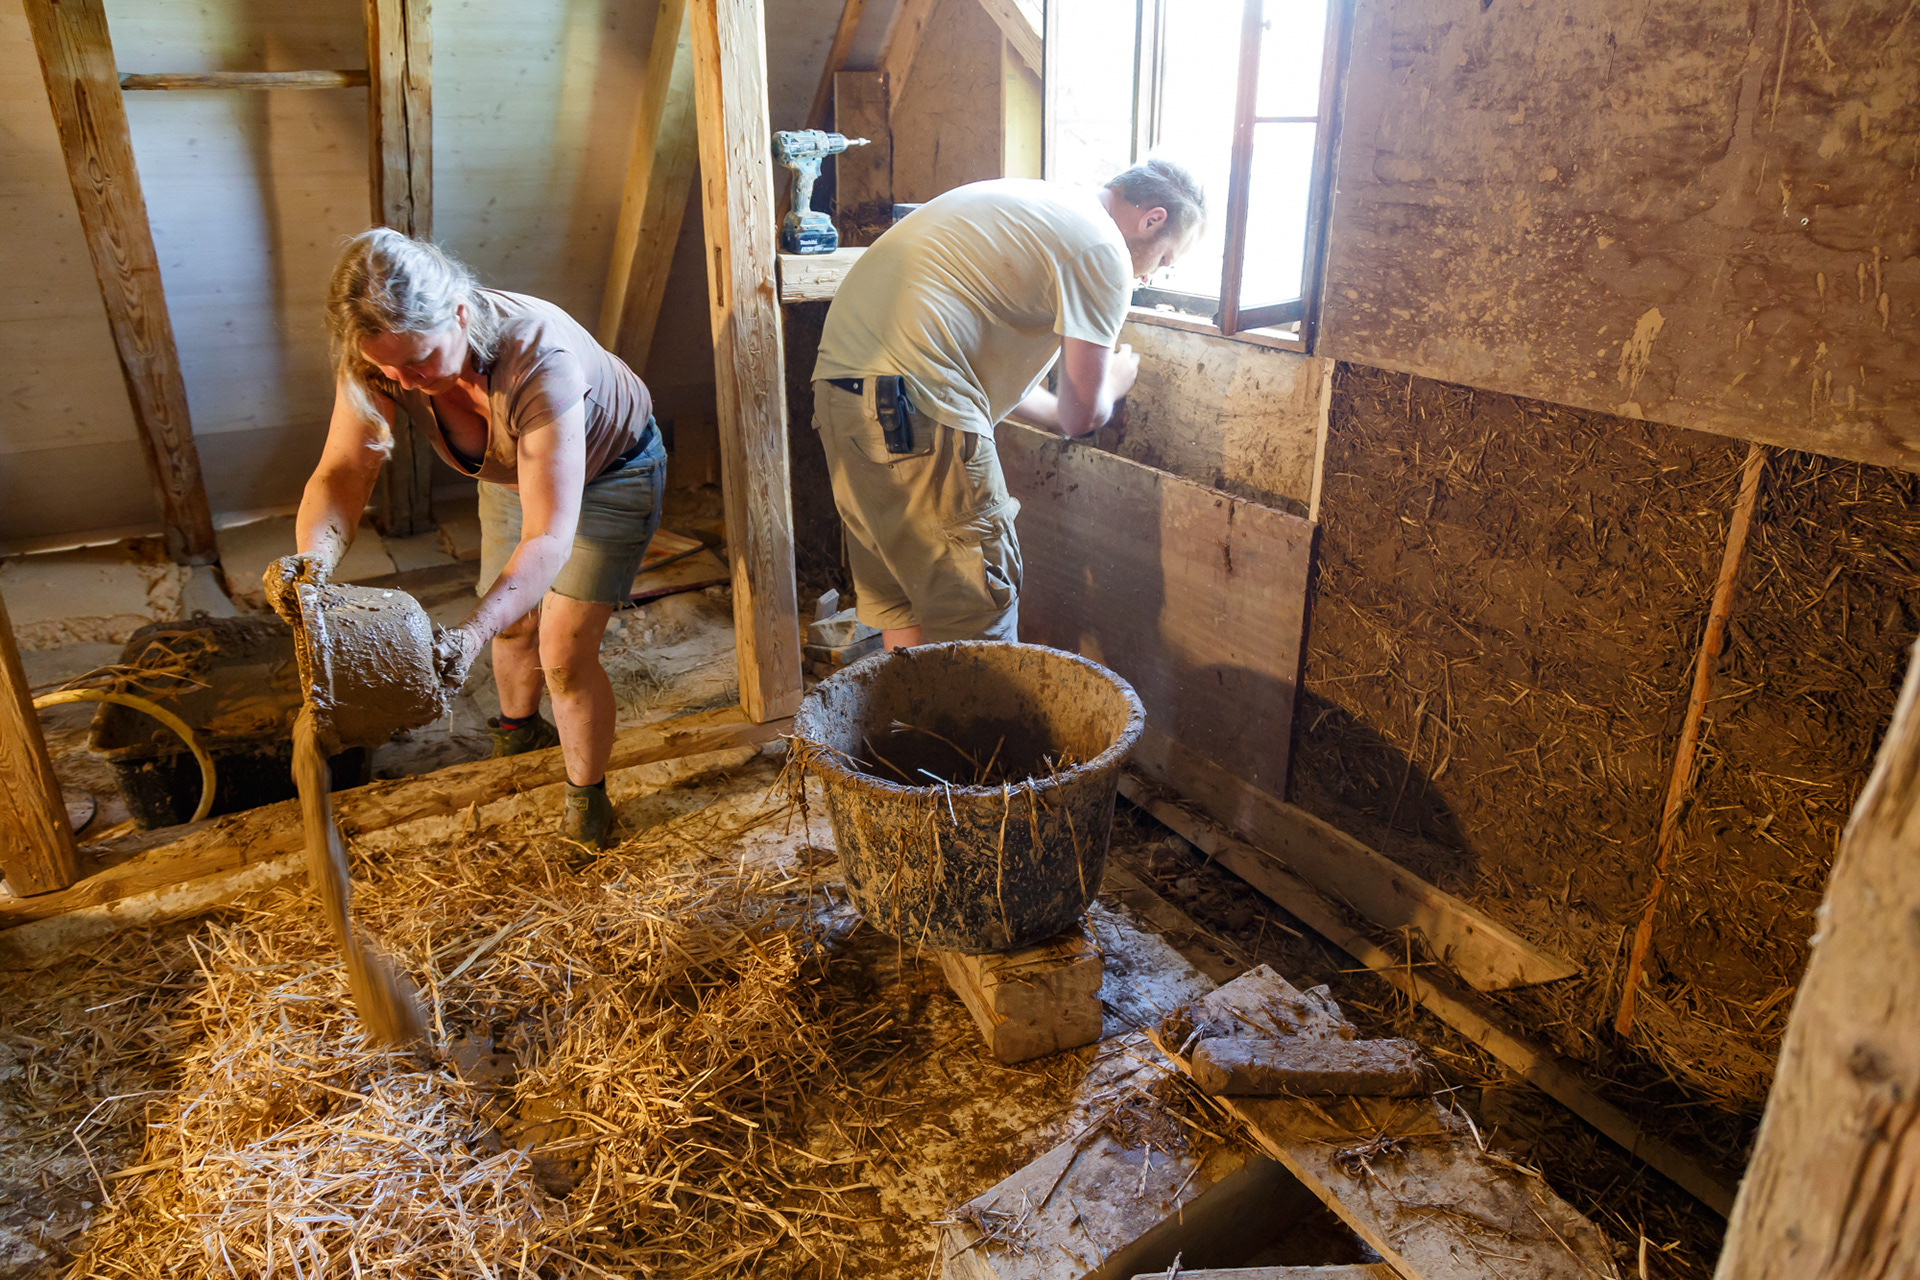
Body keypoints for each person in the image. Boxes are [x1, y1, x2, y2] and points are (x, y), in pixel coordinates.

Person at [265, 229, 666, 849]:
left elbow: (548, 536)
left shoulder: (539, 355)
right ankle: (518, 733)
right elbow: (345, 470)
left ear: (457, 313)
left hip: (612, 472)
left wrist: (467, 634)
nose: (403, 380)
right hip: (511, 472)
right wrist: (311, 563)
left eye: (418, 360)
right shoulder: (381, 359)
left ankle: (586, 800)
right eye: (387, 367)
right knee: (512, 623)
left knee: (563, 653)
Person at [810, 159, 1204, 650]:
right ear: (1153, 219)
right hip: (916, 411)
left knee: (906, 600)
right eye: (1164, 259)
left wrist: (1061, 412)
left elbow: (1013, 391)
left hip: (842, 397)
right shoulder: (1104, 248)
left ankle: (910, 702)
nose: (1152, 276)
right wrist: (1113, 385)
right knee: (980, 616)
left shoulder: (1041, 204)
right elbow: (1083, 414)